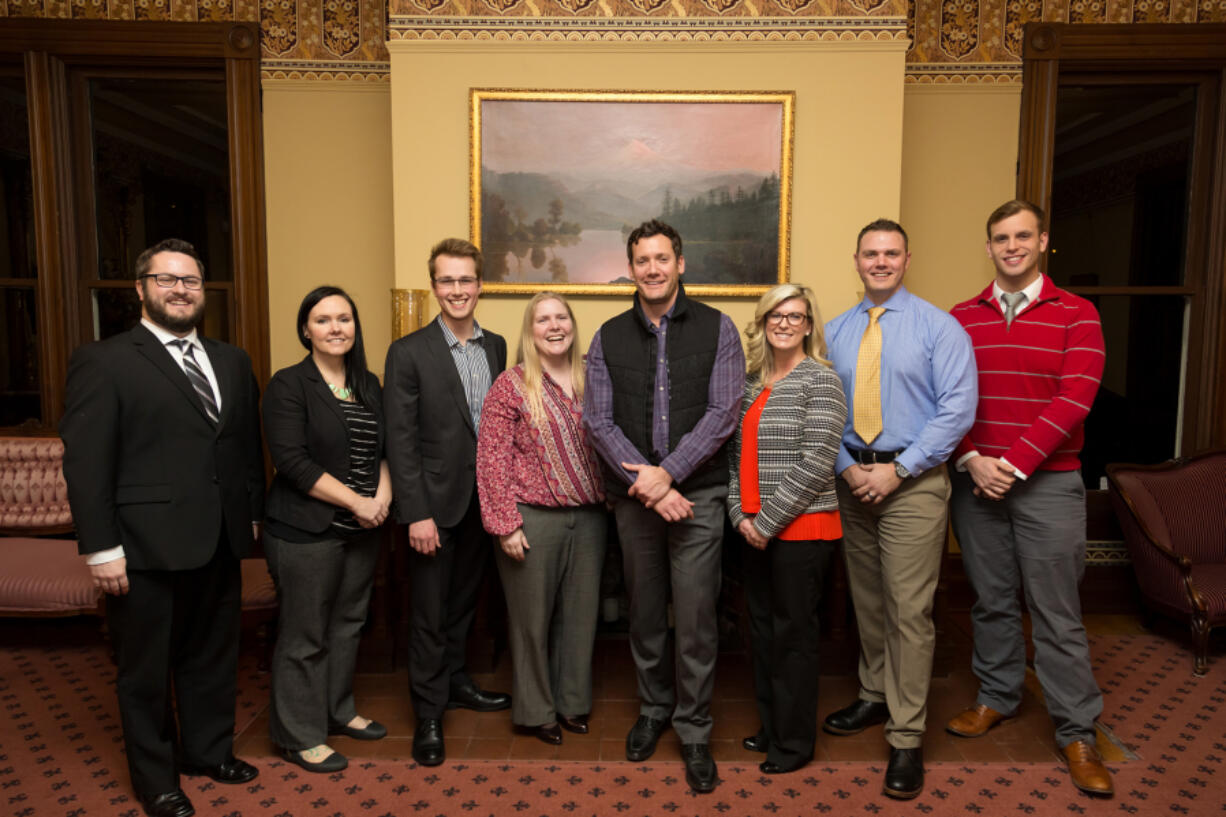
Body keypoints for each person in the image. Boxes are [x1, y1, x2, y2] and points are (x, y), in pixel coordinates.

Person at [60, 239, 264, 817]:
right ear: (141, 288)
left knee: (212, 657)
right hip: (143, 545)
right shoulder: (105, 360)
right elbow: (86, 461)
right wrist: (100, 547)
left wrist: (249, 513)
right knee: (145, 671)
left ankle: (208, 753)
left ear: (204, 290)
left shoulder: (231, 360)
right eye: (167, 279)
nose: (180, 290)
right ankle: (155, 780)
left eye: (191, 281)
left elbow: (244, 447)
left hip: (219, 538)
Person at [946, 200, 1112, 796]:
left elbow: (1075, 399)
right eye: (999, 238)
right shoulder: (961, 316)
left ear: (1042, 241)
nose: (1011, 246)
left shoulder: (1078, 314)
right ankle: (997, 697)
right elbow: (947, 400)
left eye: (1022, 236)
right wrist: (970, 459)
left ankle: (1077, 731)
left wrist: (1011, 465)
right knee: (991, 601)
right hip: (975, 479)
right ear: (987, 247)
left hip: (1050, 484)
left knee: (1056, 613)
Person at [584, 219, 744, 794]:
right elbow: (597, 420)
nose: (652, 269)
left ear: (681, 264)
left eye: (661, 258)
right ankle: (653, 708)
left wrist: (670, 475)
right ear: (631, 268)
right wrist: (650, 484)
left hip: (696, 495)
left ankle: (694, 728)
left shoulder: (719, 328)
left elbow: (724, 413)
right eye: (641, 260)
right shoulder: (606, 335)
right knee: (645, 611)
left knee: (697, 617)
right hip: (634, 499)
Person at [821, 219, 977, 800]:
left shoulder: (941, 328)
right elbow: (823, 408)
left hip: (913, 483)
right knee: (867, 596)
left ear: (907, 259)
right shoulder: (835, 331)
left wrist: (899, 469)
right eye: (870, 253)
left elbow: (957, 411)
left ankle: (906, 735)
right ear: (856, 260)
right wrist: (847, 467)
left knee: (909, 609)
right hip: (852, 479)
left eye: (890, 253)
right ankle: (873, 692)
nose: (880, 262)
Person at [384, 237, 510, 768]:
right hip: (432, 509)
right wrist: (415, 512)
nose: (457, 290)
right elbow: (401, 437)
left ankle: (457, 682)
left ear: (480, 285)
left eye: (466, 280)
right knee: (429, 614)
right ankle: (429, 713)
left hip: (485, 504)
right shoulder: (408, 351)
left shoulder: (498, 346)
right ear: (433, 286)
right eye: (446, 280)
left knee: (463, 607)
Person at [261, 286, 392, 774]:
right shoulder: (289, 384)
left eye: (344, 318)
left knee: (348, 624)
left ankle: (337, 712)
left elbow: (386, 448)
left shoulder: (369, 383)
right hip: (305, 530)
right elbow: (292, 463)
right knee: (305, 634)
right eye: (323, 320)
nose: (336, 328)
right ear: (305, 330)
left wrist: (381, 498)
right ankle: (299, 734)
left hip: (363, 528)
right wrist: (358, 502)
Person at [475, 292, 607, 745]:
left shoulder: (595, 377)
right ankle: (535, 711)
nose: (554, 326)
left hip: (590, 518)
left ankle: (572, 703)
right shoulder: (511, 385)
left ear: (573, 324)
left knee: (580, 617)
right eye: (542, 319)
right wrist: (505, 523)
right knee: (531, 621)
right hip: (531, 520)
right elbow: (491, 458)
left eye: (561, 317)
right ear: (529, 331)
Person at [727, 284, 847, 775]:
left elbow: (818, 461)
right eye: (776, 314)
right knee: (762, 633)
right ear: (762, 322)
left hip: (801, 528)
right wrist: (740, 516)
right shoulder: (751, 384)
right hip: (752, 529)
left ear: (808, 325)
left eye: (795, 315)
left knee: (794, 637)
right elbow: (733, 459)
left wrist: (767, 522)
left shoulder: (822, 381)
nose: (784, 322)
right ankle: (773, 727)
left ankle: (794, 745)